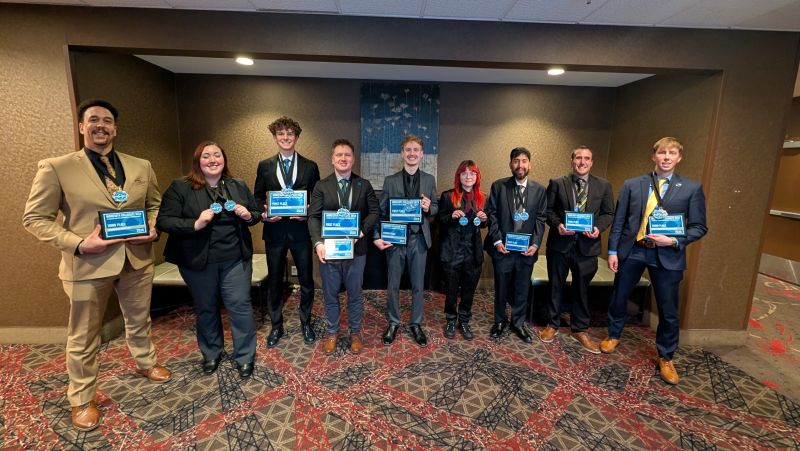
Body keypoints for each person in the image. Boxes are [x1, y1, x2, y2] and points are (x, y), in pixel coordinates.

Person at [22, 99, 171, 432]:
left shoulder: (140, 166)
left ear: (115, 128)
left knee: (139, 318)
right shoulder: (57, 167)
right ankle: (81, 398)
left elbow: (155, 205)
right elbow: (35, 218)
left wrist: (153, 226)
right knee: (84, 336)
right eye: (93, 120)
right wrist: (78, 243)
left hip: (136, 259)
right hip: (88, 265)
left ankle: (146, 362)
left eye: (106, 121)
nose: (100, 125)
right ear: (81, 127)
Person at [601, 137, 707, 385]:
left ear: (679, 158)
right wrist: (613, 251)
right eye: (662, 153)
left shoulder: (691, 189)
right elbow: (619, 221)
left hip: (668, 254)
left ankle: (666, 356)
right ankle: (614, 334)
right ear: (654, 156)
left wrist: (672, 241)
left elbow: (699, 227)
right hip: (634, 250)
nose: (666, 157)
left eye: (672, 153)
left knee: (668, 309)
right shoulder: (632, 185)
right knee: (619, 296)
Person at [156, 141, 261, 378]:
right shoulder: (181, 187)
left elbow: (255, 215)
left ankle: (245, 356)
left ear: (224, 160)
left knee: (240, 305)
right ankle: (212, 352)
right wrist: (195, 223)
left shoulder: (238, 185)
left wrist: (248, 215)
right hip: (198, 261)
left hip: (235, 258)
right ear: (198, 161)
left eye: (217, 155)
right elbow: (164, 220)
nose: (213, 160)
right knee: (206, 307)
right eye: (206, 156)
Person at [254, 116, 320, 348]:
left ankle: (306, 322)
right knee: (274, 280)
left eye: (290, 134)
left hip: (301, 231)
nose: (285, 137)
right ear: (275, 137)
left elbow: (317, 199)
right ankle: (276, 325)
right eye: (281, 134)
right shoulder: (265, 165)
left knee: (306, 279)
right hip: (274, 230)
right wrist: (264, 212)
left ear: (297, 137)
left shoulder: (311, 166)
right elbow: (257, 196)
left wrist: (309, 213)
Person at [309, 139, 380, 355]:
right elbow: (313, 217)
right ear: (332, 159)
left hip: (356, 250)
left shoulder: (363, 185)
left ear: (353, 159)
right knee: (330, 294)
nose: (343, 159)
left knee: (355, 294)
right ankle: (332, 332)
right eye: (339, 155)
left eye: (347, 155)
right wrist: (318, 243)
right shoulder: (322, 185)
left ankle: (355, 332)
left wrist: (361, 231)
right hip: (330, 250)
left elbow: (375, 212)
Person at [541, 146, 615, 353]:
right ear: (572, 160)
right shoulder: (557, 183)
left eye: (587, 159)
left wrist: (598, 228)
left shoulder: (604, 186)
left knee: (582, 289)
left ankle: (579, 328)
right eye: (578, 158)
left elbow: (609, 213)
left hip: (587, 246)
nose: (582, 162)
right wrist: (558, 225)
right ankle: (552, 324)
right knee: (556, 285)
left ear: (592, 162)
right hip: (560, 244)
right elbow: (547, 210)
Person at [373, 135, 438, 347]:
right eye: (408, 150)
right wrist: (377, 235)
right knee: (393, 284)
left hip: (418, 239)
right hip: (395, 239)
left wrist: (430, 208)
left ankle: (415, 323)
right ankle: (393, 321)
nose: (412, 153)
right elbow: (380, 211)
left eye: (416, 150)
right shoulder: (390, 181)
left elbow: (436, 208)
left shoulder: (429, 180)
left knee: (418, 285)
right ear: (402, 153)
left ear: (421, 154)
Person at [484, 147, 547, 343]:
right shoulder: (499, 186)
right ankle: (500, 321)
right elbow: (492, 215)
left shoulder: (540, 190)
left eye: (524, 161)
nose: (520, 165)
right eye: (516, 161)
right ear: (511, 164)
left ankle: (518, 323)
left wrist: (536, 244)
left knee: (522, 288)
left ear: (530, 164)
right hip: (503, 249)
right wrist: (497, 240)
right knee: (501, 288)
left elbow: (540, 219)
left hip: (526, 251)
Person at [437, 160, 488, 340]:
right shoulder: (447, 196)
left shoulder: (482, 198)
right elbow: (439, 220)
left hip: (472, 252)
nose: (468, 177)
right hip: (452, 251)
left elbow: (484, 224)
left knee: (469, 289)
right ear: (459, 176)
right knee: (451, 289)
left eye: (472, 173)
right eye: (464, 173)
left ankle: (464, 320)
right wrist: (451, 216)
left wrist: (484, 219)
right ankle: (451, 319)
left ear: (477, 177)